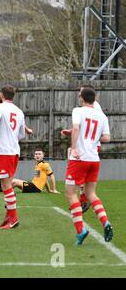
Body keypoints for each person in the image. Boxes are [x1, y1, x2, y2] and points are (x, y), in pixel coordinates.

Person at [64, 86, 112, 245]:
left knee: (71, 194)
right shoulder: (101, 115)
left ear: (82, 98)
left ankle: (80, 230)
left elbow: (77, 128)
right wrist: (92, 138)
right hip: (94, 159)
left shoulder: (78, 111)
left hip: (79, 159)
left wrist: (75, 148)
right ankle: (105, 221)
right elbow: (106, 138)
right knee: (91, 193)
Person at [0, 92, 33, 208]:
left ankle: (3, 193)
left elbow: (2, 124)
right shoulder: (5, 110)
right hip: (6, 149)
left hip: (5, 150)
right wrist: (26, 129)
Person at [0, 85, 26, 229]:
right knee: (5, 183)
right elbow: (22, 134)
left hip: (5, 152)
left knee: (6, 185)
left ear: (1, 95)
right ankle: (8, 217)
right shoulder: (19, 111)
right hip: (15, 151)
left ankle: (13, 219)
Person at [61, 84, 104, 213]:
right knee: (84, 177)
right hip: (90, 146)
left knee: (81, 174)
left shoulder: (93, 108)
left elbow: (93, 129)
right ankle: (82, 199)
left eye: (81, 92)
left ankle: (83, 200)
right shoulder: (91, 108)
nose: (80, 95)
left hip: (90, 147)